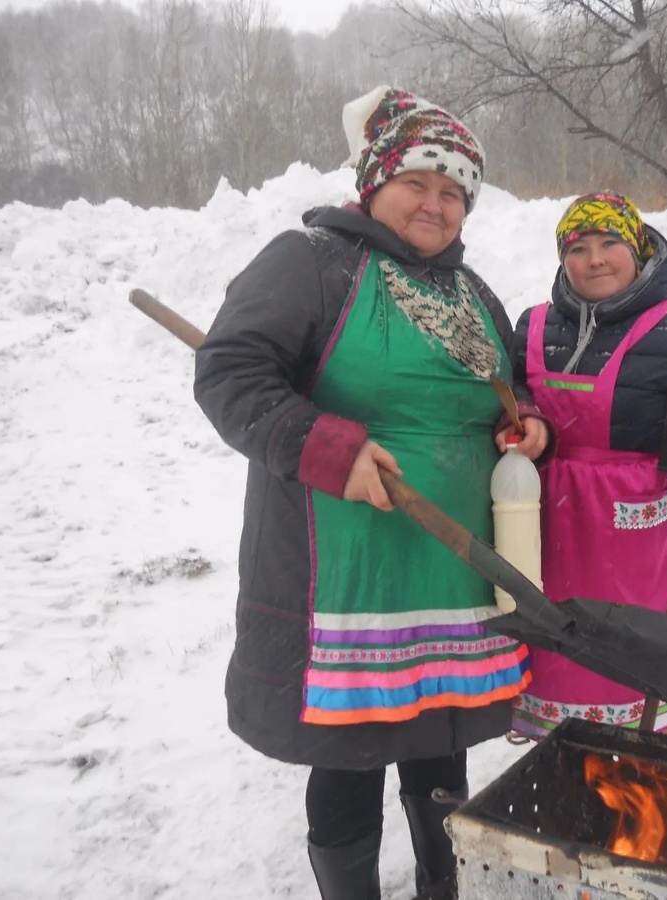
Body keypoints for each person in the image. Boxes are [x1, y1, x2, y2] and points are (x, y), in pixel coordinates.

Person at [192, 86, 549, 900]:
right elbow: (229, 372)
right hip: (346, 581)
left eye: (453, 191)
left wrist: (522, 424)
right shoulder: (309, 262)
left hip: (452, 578)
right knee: (350, 758)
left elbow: (509, 391)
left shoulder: (471, 293)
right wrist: (325, 446)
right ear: (374, 181)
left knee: (439, 748)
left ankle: (439, 886)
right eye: (418, 182)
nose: (435, 202)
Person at [505, 191, 667, 738]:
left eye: (610, 242)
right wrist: (523, 415)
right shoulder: (534, 324)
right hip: (546, 524)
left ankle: (627, 780)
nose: (594, 259)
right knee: (551, 651)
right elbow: (510, 389)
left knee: (624, 662)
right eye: (578, 247)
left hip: (630, 533)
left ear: (636, 248)